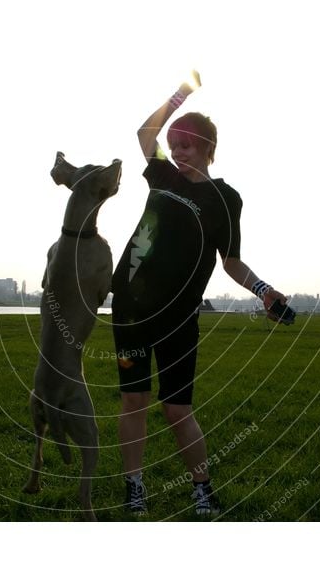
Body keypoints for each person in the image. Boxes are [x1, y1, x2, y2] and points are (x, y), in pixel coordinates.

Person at [111, 72, 288, 516]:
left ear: (209, 147)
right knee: (133, 399)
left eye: (187, 144)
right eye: (174, 145)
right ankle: (134, 486)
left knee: (177, 409)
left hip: (179, 318)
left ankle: (202, 487)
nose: (177, 151)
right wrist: (180, 95)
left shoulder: (225, 199)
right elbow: (143, 133)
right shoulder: (164, 178)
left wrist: (264, 291)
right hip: (131, 308)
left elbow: (231, 261)